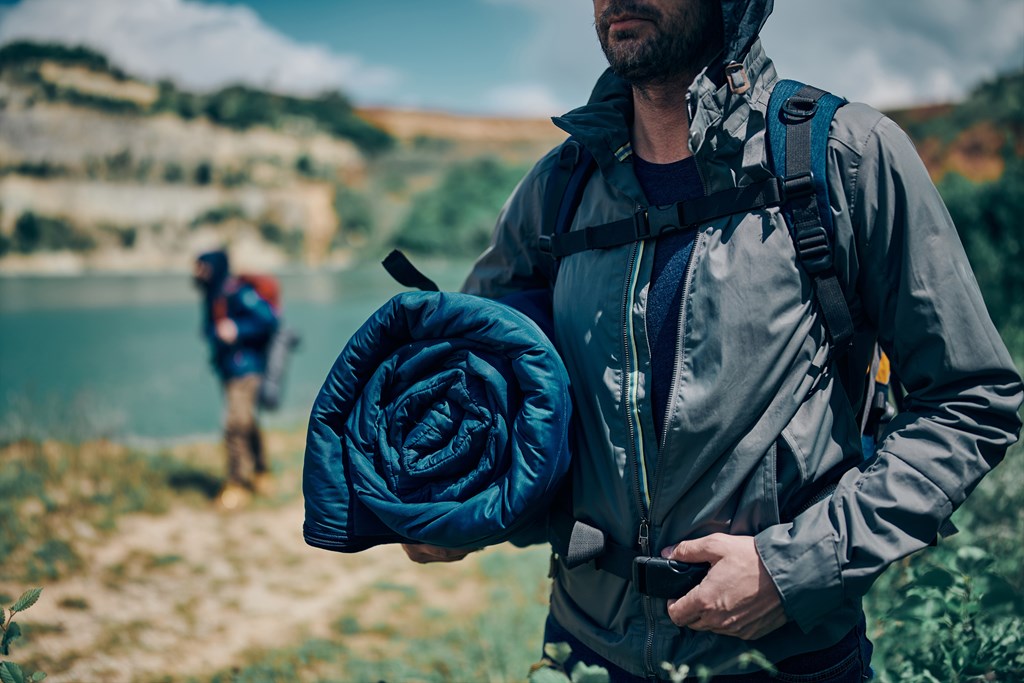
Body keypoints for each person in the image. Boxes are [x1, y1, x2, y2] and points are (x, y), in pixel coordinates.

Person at [405, 1, 1023, 681]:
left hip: (782, 659)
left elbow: (971, 399)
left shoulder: (843, 157)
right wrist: (450, 508)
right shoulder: (557, 191)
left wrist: (793, 569)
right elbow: (485, 394)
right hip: (581, 647)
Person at [193, 249, 279, 511]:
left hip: (246, 368)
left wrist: (237, 329)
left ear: (215, 268)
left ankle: (237, 483)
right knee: (247, 421)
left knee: (234, 424)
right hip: (228, 369)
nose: (198, 274)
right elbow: (210, 329)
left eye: (203, 269)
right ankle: (262, 471)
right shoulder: (213, 294)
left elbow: (270, 320)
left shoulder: (238, 292)